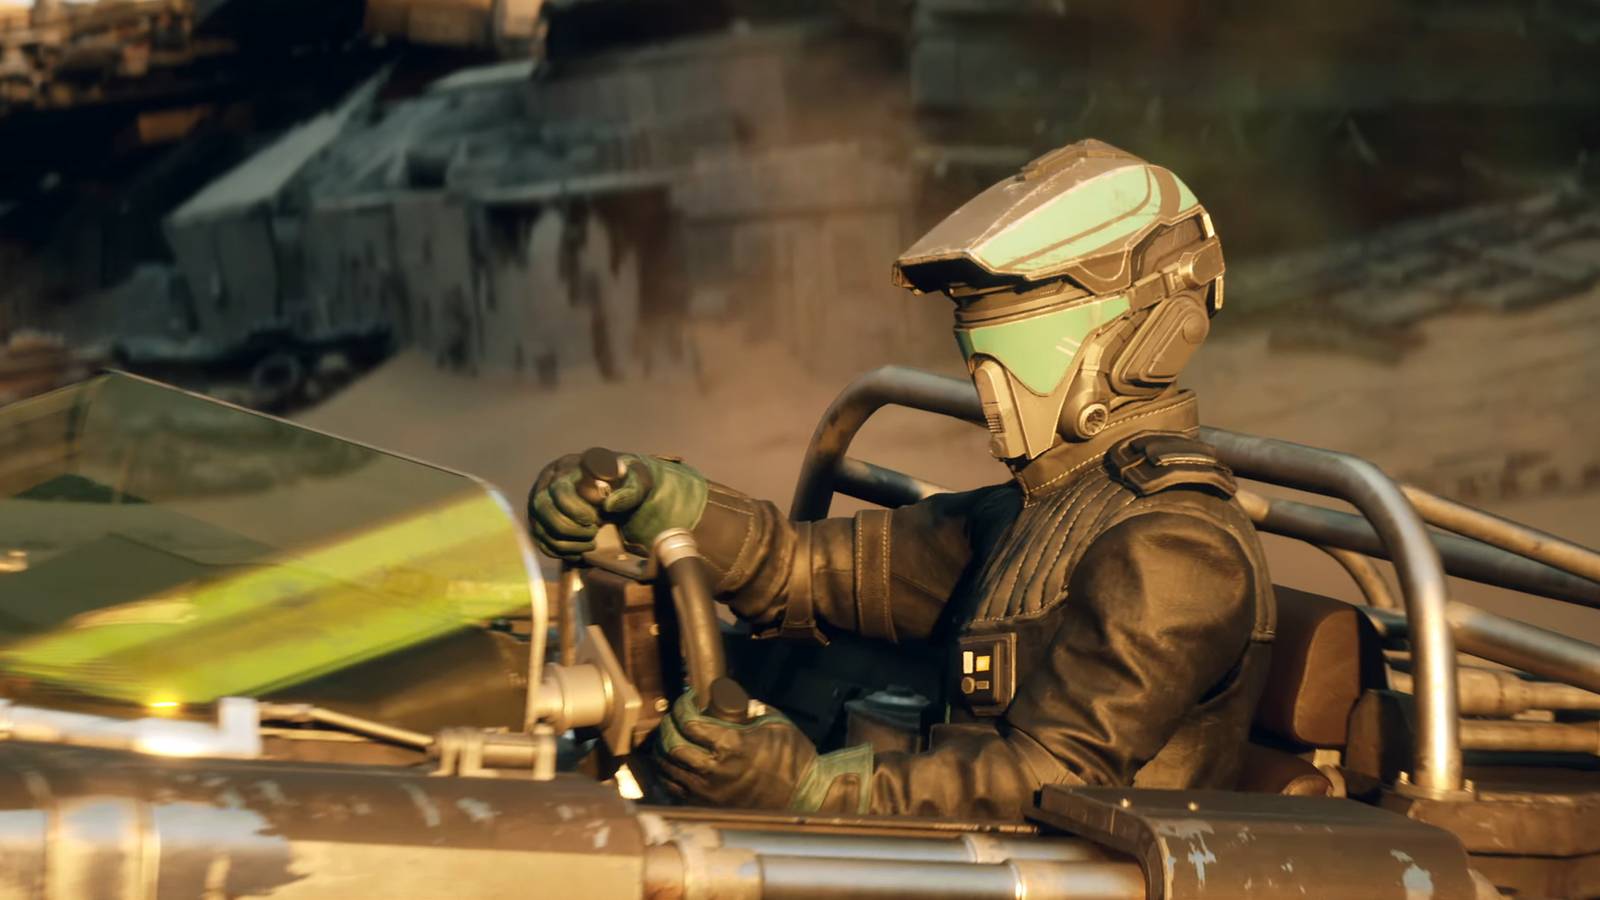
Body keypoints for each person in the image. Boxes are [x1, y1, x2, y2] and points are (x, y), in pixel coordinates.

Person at [528, 139, 1275, 820]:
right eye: (976, 335)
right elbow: (801, 568)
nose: (986, 376)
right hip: (964, 863)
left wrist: (815, 790)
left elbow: (1055, 781)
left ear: (1148, 337)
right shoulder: (1034, 510)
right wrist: (660, 501)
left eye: (1018, 331)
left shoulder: (1177, 548)